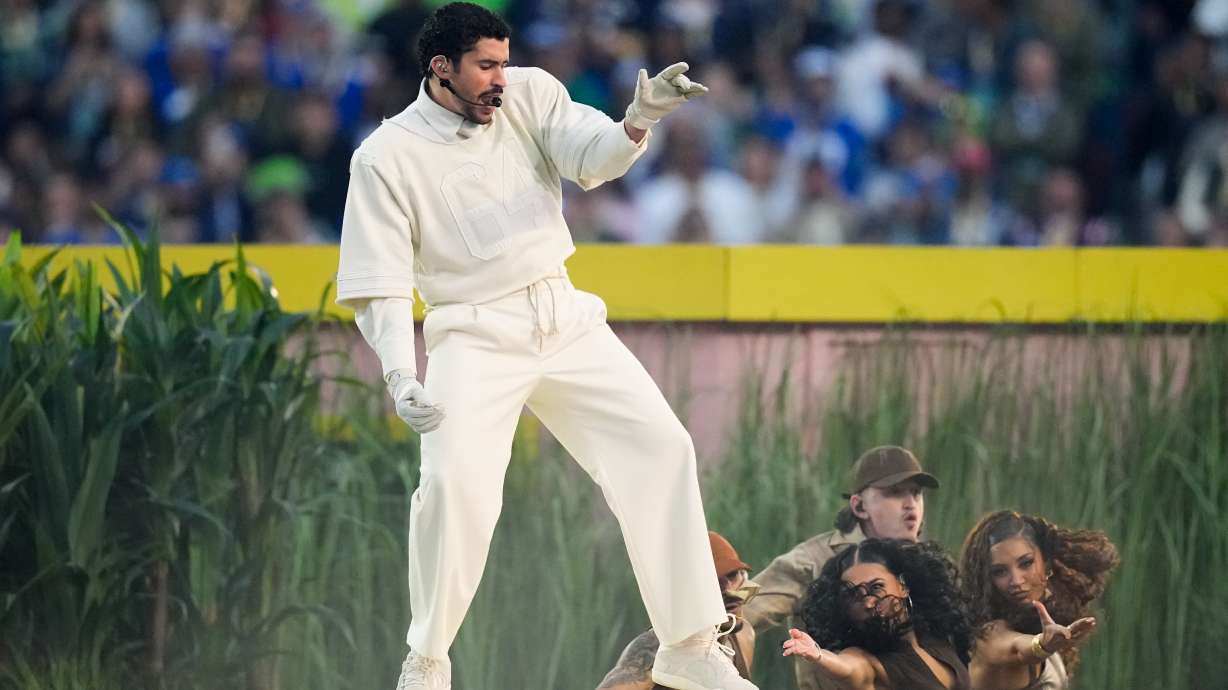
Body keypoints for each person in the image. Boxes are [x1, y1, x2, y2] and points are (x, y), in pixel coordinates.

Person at [334, 4, 754, 690]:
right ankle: (427, 660)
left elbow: (593, 157)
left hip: (563, 313)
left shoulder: (528, 92)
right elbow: (378, 280)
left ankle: (687, 645)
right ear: (441, 67)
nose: (501, 77)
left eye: (504, 60)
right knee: (452, 485)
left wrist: (638, 121)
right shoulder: (385, 156)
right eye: (486, 66)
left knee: (662, 448)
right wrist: (399, 373)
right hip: (471, 332)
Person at [742, 445, 938, 690]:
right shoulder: (813, 560)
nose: (910, 504)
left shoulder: (930, 566)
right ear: (859, 506)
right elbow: (737, 613)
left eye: (917, 493)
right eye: (895, 493)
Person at [782, 539, 973, 690]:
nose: (868, 602)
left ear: (902, 585)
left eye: (877, 587)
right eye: (853, 594)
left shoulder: (936, 637)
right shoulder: (869, 661)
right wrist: (819, 655)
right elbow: (848, 668)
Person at [959, 511, 1119, 690]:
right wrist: (1042, 644)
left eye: (1026, 563)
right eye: (1000, 572)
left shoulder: (1039, 621)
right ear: (986, 580)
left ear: (1047, 563)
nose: (1017, 581)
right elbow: (1017, 649)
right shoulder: (989, 635)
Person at [597, 532, 760, 690]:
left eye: (732, 576)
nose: (730, 590)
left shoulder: (744, 635)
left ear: (744, 577)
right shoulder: (658, 649)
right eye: (714, 583)